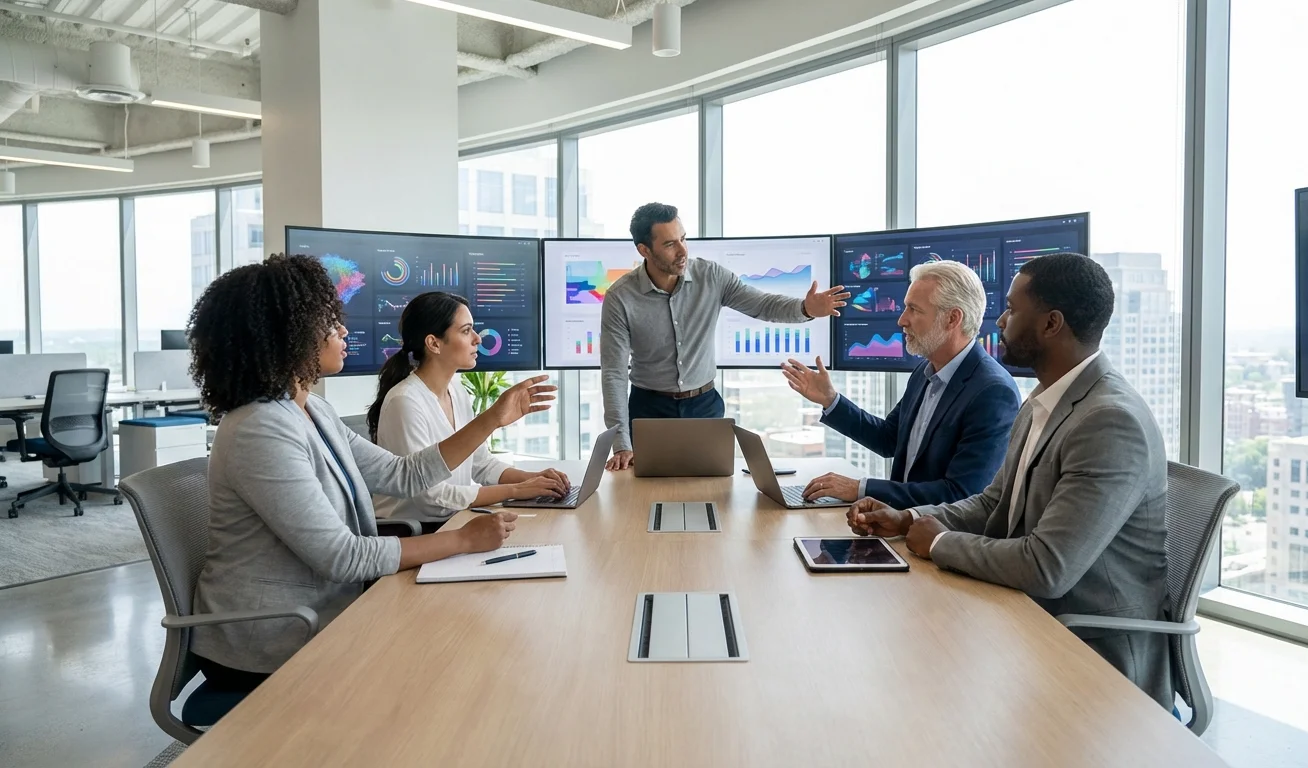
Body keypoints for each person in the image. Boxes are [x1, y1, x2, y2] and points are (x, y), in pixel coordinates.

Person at [186, 255, 553, 691]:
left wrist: (492, 419)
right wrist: (461, 540)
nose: (342, 330)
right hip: (272, 638)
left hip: (332, 607)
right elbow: (341, 556)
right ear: (288, 335)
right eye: (328, 322)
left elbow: (403, 475)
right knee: (451, 667)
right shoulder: (259, 429)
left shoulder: (313, 410)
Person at [845, 252, 1172, 711]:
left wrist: (937, 543)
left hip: (1088, 652)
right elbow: (994, 502)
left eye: (1014, 310)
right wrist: (909, 518)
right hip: (1022, 613)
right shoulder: (1044, 399)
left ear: (1051, 324)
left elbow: (1046, 567)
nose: (999, 320)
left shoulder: (1109, 421)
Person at [601, 202, 849, 470]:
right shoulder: (620, 298)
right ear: (644, 250)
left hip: (704, 406)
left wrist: (804, 308)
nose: (683, 250)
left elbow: (762, 304)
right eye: (670, 244)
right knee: (644, 494)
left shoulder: (712, 276)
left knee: (712, 489)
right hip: (648, 409)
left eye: (683, 238)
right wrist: (622, 444)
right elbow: (613, 372)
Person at [781, 260, 1019, 507]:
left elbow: (961, 495)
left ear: (952, 318)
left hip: (939, 539)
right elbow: (888, 439)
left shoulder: (992, 392)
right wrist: (830, 400)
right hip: (900, 526)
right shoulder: (925, 372)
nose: (902, 320)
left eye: (914, 310)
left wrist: (860, 488)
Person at [368, 292, 571, 520]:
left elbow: (481, 464)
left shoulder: (457, 391)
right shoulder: (404, 401)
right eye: (466, 331)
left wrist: (532, 479)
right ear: (434, 343)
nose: (478, 338)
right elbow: (430, 499)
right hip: (416, 533)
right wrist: (515, 491)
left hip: (453, 521)